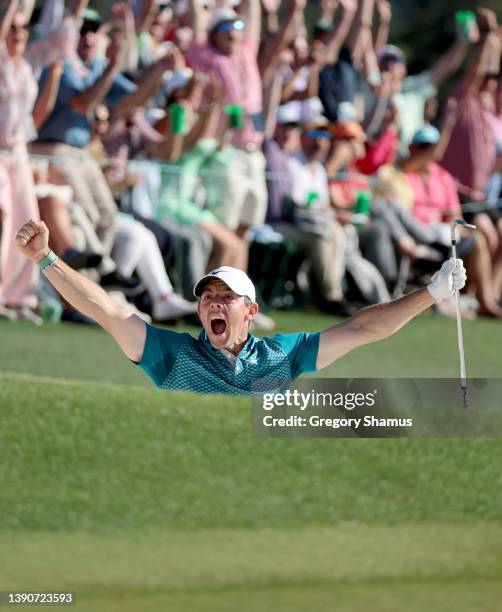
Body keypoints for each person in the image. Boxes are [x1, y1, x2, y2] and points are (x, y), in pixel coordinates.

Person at [16, 218, 466, 395]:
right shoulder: (172, 355)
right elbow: (106, 310)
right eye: (207, 297)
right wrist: (47, 260)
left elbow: (362, 329)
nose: (213, 303)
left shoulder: (281, 355)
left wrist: (430, 292)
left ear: (250, 310)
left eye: (225, 297)